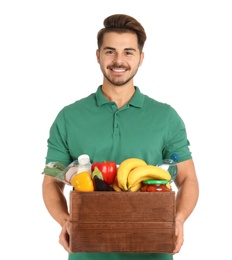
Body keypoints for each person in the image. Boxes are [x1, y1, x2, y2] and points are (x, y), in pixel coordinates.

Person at [42, 14, 199, 260]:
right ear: (98, 56)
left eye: (128, 52)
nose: (118, 60)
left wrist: (177, 220)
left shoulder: (166, 117)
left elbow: (188, 178)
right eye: (110, 51)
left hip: (153, 251)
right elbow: (52, 178)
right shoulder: (68, 117)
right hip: (87, 252)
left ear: (140, 58)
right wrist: (65, 221)